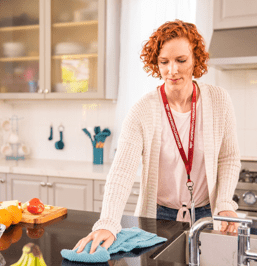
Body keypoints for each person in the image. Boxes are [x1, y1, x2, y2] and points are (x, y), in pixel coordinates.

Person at [73, 20, 241, 254]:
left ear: (195, 59)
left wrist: (223, 204)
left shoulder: (219, 100)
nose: (172, 70)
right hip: (158, 217)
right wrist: (108, 223)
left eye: (181, 60)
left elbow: (229, 158)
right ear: (156, 63)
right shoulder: (142, 110)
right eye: (164, 62)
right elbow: (122, 170)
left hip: (208, 214)